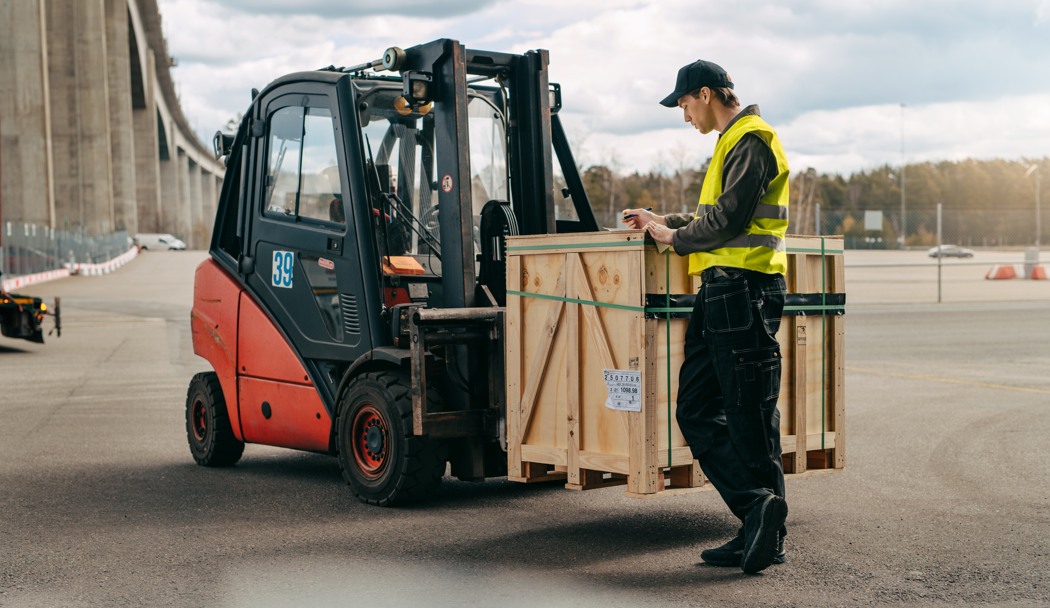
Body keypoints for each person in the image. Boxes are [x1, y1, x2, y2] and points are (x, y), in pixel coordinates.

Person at [622, 58, 790, 575]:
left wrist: (676, 238)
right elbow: (714, 215)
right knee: (696, 409)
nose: (684, 115)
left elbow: (730, 219)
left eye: (684, 104)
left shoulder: (753, 139)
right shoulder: (731, 144)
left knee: (749, 416)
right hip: (719, 293)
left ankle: (761, 523)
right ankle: (758, 516)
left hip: (743, 292)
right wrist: (663, 221)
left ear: (706, 94)